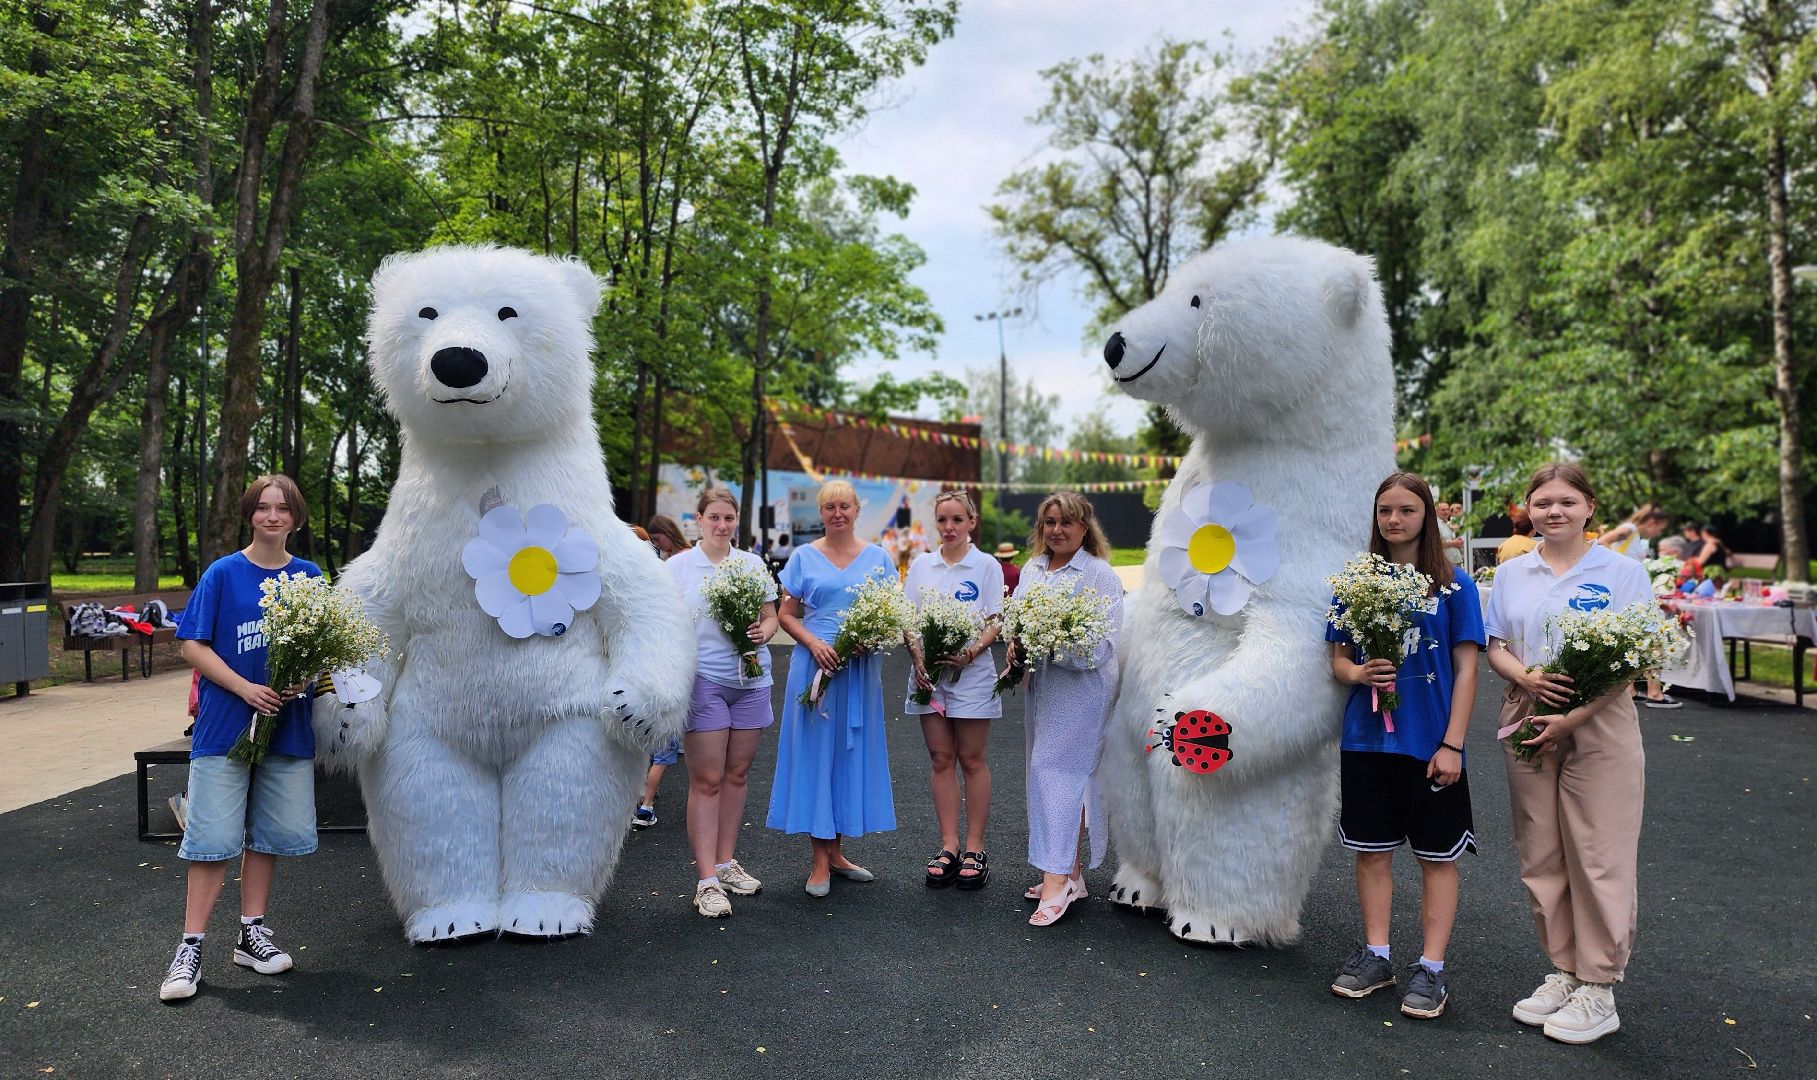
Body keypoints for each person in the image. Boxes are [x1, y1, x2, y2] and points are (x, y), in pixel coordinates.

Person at [1482, 462, 1653, 1045]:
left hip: (1598, 720)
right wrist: (1527, 680)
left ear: (1589, 508)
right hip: (1526, 715)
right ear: (1527, 510)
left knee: (1598, 852)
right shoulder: (1512, 573)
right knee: (1541, 851)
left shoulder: (1622, 571)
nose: (1553, 511)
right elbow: (1496, 645)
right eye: (1541, 502)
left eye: (1566, 501)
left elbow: (1630, 661)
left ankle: (1599, 986)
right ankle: (1564, 970)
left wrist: (1572, 716)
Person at [1326, 473, 1483, 1020]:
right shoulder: (1355, 583)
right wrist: (1356, 672)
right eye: (1385, 510)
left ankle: (1431, 968)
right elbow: (1339, 660)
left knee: (1435, 858)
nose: (1394, 520)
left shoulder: (1455, 586)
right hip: (1367, 740)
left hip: (1429, 744)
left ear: (1427, 517)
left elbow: (1466, 671)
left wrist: (1453, 745)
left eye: (1406, 510)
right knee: (1371, 852)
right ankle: (1377, 954)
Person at [161, 475, 323, 1003]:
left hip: (285, 725)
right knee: (211, 839)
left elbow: (321, 651)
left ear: (296, 519)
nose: (272, 517)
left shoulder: (309, 576)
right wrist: (244, 688)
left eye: (282, 509)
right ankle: (190, 947)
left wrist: (302, 678)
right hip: (225, 726)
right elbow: (192, 644)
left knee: (270, 835)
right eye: (263, 508)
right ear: (250, 514)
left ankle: (251, 933)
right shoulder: (224, 574)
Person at [768, 480, 896, 894]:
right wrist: (815, 643)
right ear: (820, 514)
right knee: (816, 756)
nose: (837, 513)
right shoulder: (804, 557)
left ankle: (837, 852)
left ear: (857, 510)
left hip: (858, 670)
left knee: (847, 755)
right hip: (814, 664)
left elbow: (891, 616)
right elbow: (786, 615)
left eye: (844, 506)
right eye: (829, 507)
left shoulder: (878, 558)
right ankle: (819, 861)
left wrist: (870, 639)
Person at [666, 488, 779, 917]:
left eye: (729, 518)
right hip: (704, 681)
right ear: (699, 519)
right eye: (714, 517)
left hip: (751, 680)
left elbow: (770, 614)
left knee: (737, 774)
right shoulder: (677, 568)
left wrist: (764, 633)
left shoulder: (750, 564)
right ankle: (706, 881)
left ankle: (726, 862)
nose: (722, 525)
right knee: (707, 779)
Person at [1011, 493, 1122, 927]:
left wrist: (1054, 645)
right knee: (1047, 773)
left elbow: (1103, 645)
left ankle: (1055, 878)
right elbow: (1019, 622)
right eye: (1050, 522)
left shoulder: (1099, 575)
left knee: (1054, 772)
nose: (1057, 530)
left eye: (1067, 523)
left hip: (1082, 688)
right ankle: (1069, 873)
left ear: (1084, 528)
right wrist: (1019, 648)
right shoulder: (1033, 569)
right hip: (1044, 685)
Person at [903, 491, 1004, 891]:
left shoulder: (986, 565)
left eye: (957, 520)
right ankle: (948, 846)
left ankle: (975, 848)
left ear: (971, 522)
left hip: (973, 675)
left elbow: (995, 619)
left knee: (972, 760)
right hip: (929, 677)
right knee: (941, 759)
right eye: (943, 520)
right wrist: (917, 659)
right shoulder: (921, 565)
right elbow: (907, 619)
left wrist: (971, 652)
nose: (949, 528)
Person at [1600, 506, 1680, 709]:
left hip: (1630, 587)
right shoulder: (1629, 529)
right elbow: (1603, 541)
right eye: (1659, 529)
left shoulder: (1632, 534)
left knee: (1633, 637)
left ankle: (1631, 689)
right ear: (1652, 523)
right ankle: (1654, 693)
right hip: (1631, 588)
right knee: (1652, 636)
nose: (1657, 534)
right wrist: (1619, 565)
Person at [1435, 501, 1466, 567]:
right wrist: (1454, 543)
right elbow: (1435, 544)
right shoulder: (1435, 525)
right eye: (1443, 510)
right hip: (1445, 563)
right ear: (1436, 511)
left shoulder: (1448, 523)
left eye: (1447, 509)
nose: (1446, 512)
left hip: (1456, 560)